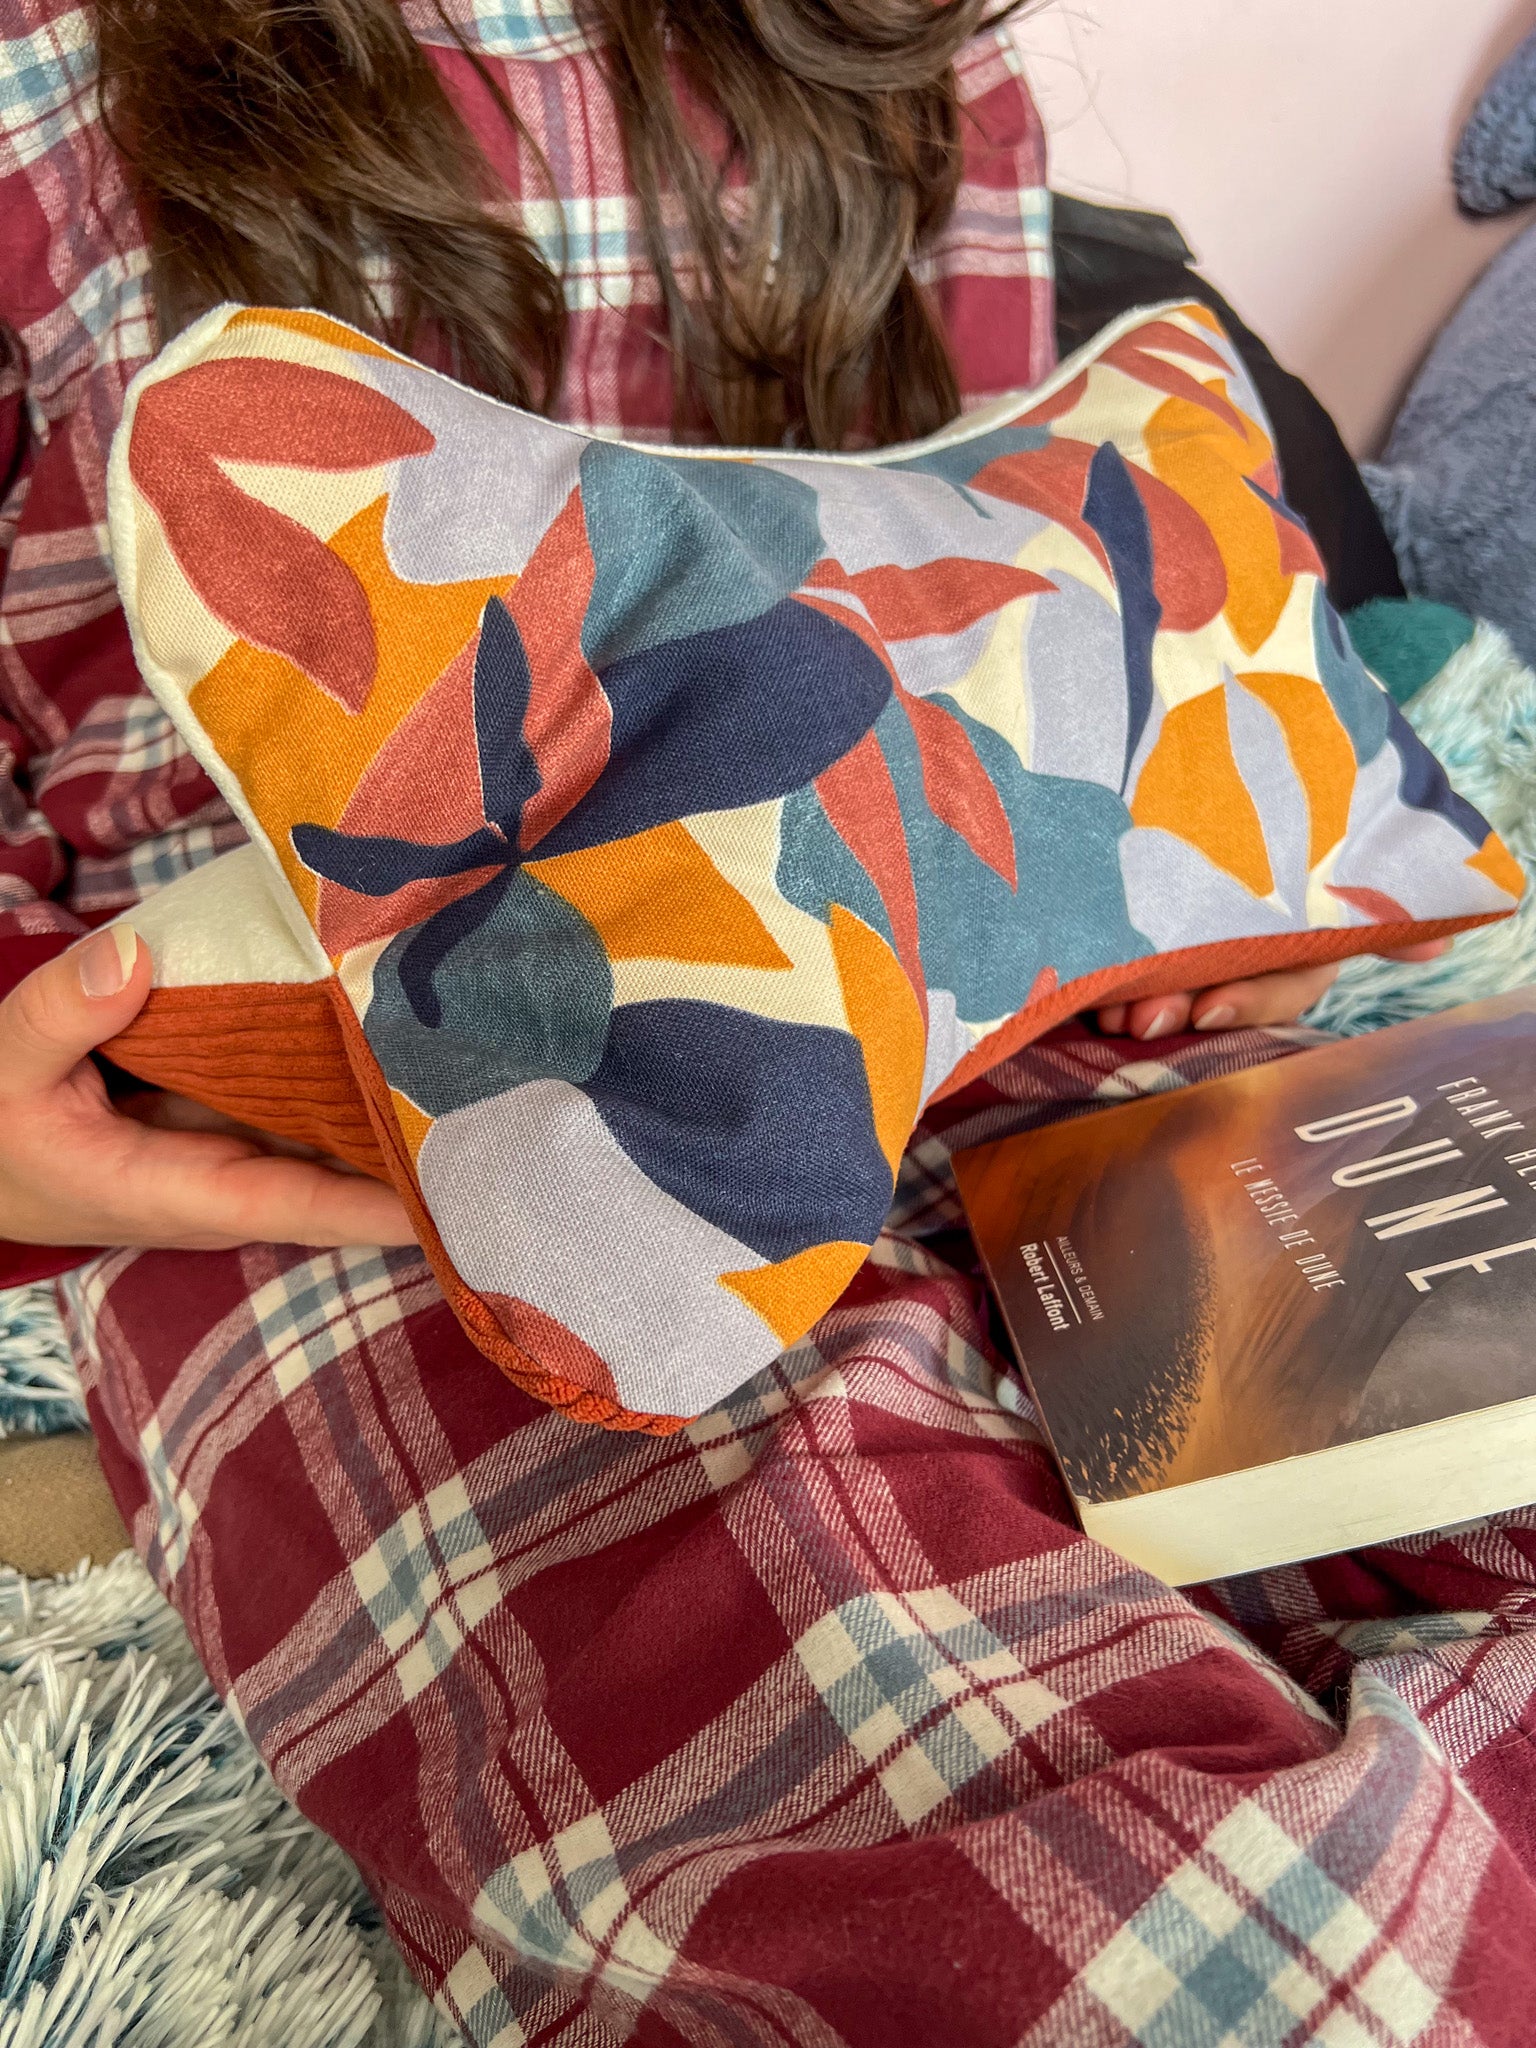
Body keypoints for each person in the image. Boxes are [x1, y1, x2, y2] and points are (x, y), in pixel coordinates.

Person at [3, 3, 1529, 2041]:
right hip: (375, 1114)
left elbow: (991, 531)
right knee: (1129, 1917)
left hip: (982, 958)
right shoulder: (40, 94)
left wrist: (1241, 834)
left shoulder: (891, 41)